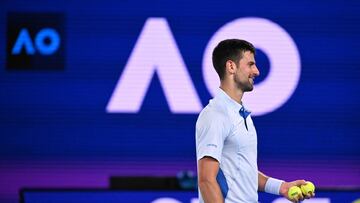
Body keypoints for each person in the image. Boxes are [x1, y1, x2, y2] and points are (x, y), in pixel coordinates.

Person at [195, 39, 315, 203]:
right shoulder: (215, 115)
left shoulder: (241, 114)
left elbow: (242, 173)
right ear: (231, 67)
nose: (257, 71)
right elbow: (207, 180)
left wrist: (282, 187)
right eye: (250, 64)